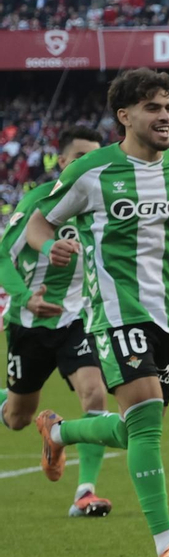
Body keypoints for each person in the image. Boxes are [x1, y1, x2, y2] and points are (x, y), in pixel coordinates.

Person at [28, 68, 169, 557]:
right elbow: (39, 223)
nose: (166, 116)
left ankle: (60, 433)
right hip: (113, 310)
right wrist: (55, 245)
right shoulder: (91, 172)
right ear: (124, 116)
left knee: (137, 431)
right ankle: (166, 545)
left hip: (164, 315)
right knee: (147, 417)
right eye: (153, 107)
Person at [0, 127, 119, 517]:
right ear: (63, 162)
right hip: (28, 321)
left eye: (95, 157)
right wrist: (24, 298)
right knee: (17, 418)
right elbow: (4, 258)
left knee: (95, 395)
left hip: (77, 319)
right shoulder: (38, 202)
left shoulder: (102, 207)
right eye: (81, 157)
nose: (89, 164)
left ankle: (85, 492)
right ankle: (45, 426)